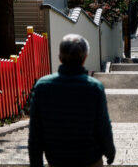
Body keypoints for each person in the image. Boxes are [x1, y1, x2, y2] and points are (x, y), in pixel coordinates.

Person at [29, 34, 116, 167]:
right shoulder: (94, 87)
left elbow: (36, 130)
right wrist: (110, 151)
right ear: (85, 57)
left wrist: (36, 162)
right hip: (89, 159)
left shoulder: (42, 86)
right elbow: (103, 124)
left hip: (57, 159)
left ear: (59, 57)